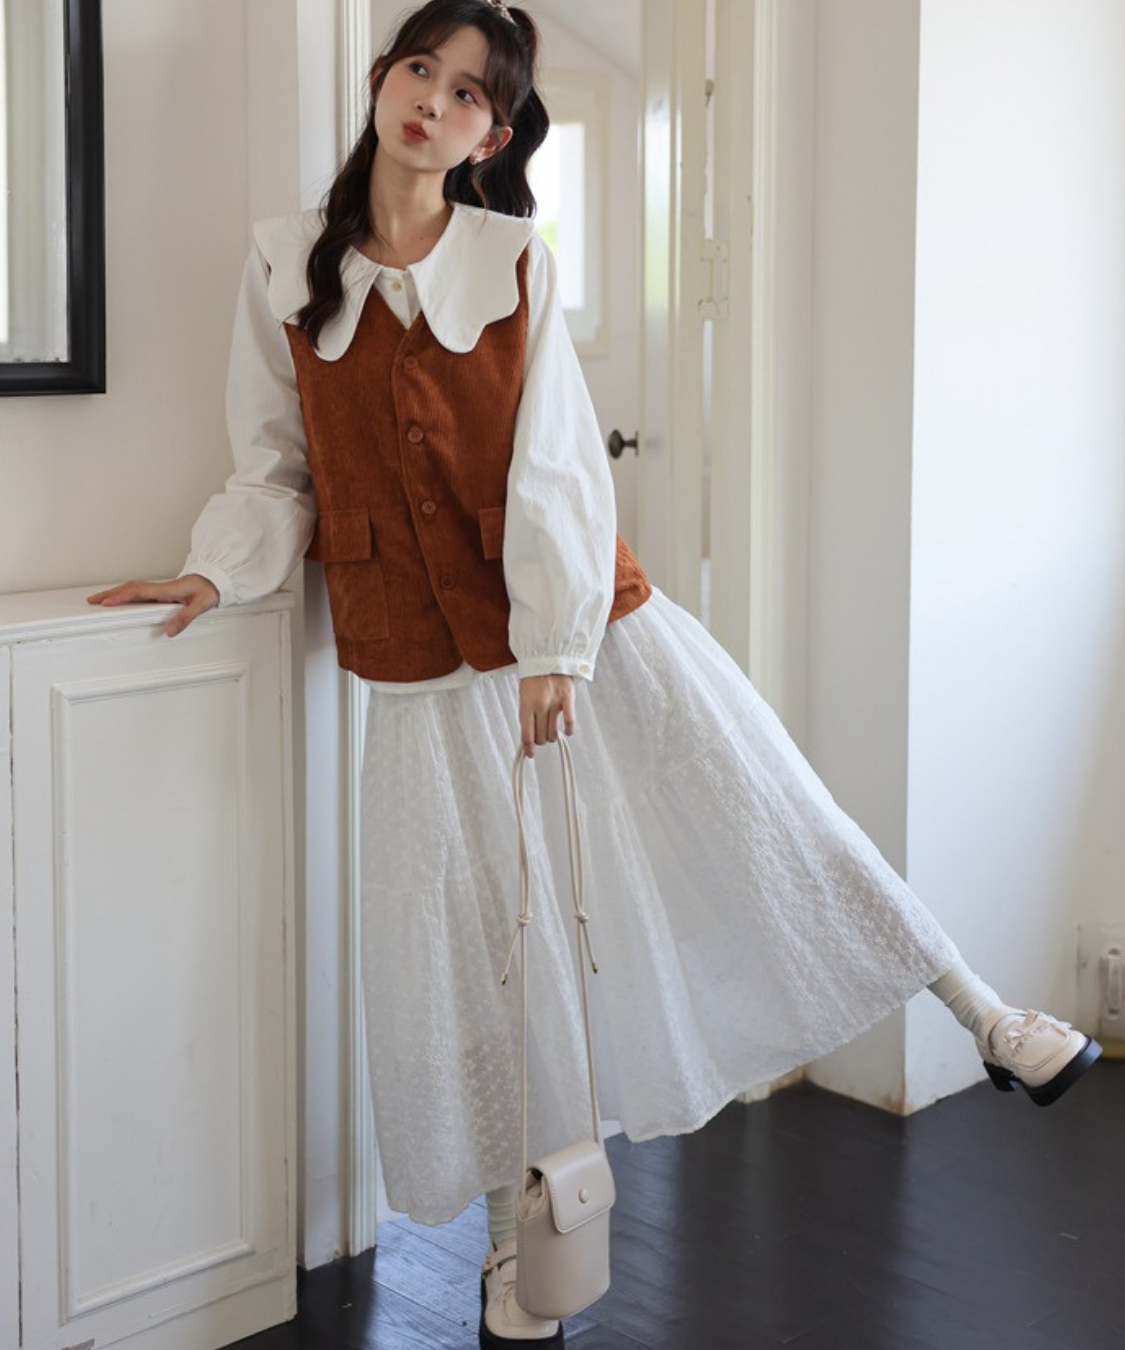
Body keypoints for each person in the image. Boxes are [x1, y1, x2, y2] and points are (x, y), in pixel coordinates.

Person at [89, 1, 1102, 1344]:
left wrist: (557, 645)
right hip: (415, 667)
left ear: (490, 135)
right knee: (471, 952)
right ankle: (518, 1248)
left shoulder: (513, 259)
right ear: (382, 78)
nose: (432, 101)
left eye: (467, 93)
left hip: (581, 633)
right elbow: (276, 464)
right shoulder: (286, 263)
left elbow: (555, 458)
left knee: (766, 813)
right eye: (419, 71)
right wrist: (214, 572)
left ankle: (988, 1014)